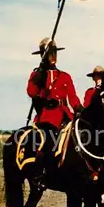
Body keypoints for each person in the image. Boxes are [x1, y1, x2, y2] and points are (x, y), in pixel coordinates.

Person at [27, 37, 83, 190]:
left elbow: (72, 97)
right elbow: (31, 92)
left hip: (64, 115)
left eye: (54, 53)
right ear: (42, 56)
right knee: (48, 140)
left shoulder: (65, 76)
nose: (53, 56)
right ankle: (42, 174)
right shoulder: (37, 75)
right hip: (46, 117)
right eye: (49, 53)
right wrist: (40, 73)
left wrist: (79, 108)